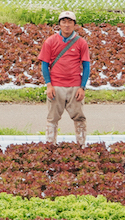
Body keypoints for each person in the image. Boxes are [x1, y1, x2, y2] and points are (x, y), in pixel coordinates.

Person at [39, 11, 92, 144]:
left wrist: (82, 87)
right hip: (56, 86)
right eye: (64, 22)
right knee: (52, 118)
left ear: (74, 24)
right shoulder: (50, 41)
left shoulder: (81, 43)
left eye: (70, 22)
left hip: (75, 85)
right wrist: (49, 85)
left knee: (79, 118)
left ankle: (81, 145)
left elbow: (86, 66)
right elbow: (44, 65)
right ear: (59, 24)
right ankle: (50, 146)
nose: (67, 25)